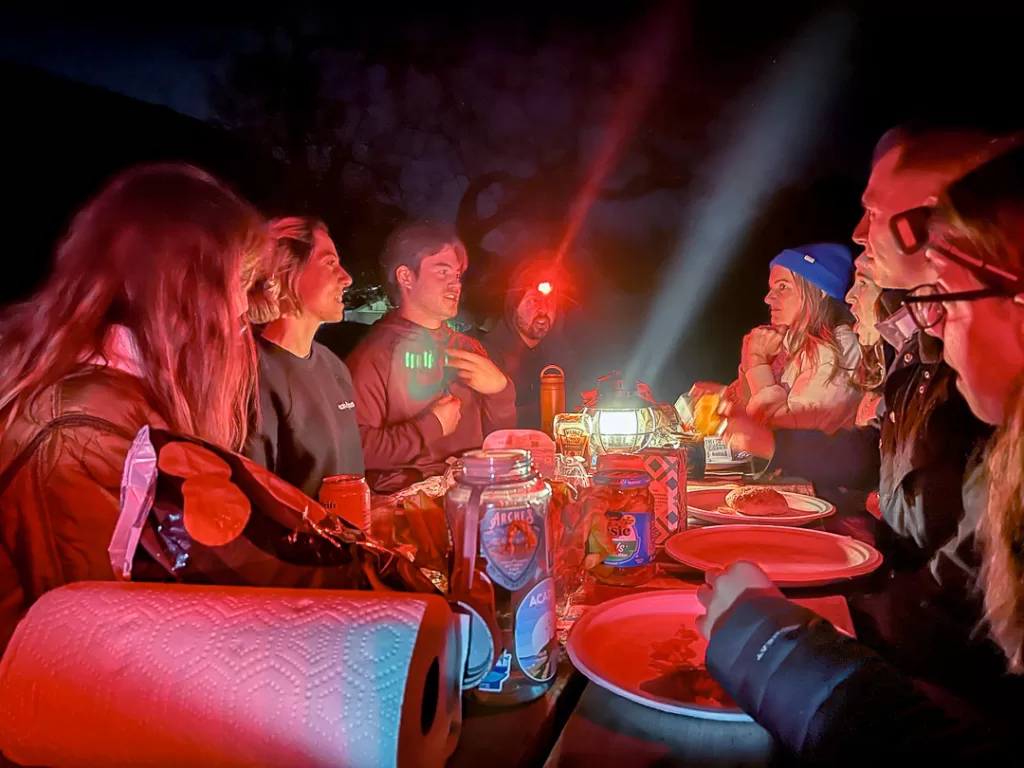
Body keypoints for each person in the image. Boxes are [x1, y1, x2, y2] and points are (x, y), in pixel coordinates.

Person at [697, 143, 1024, 764]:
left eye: (944, 299)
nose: (858, 234)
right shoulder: (922, 364)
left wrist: (795, 642)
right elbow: (876, 463)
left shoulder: (961, 391)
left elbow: (961, 602)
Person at [0, 164, 270, 655]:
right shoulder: (79, 432)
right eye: (239, 283)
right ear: (186, 290)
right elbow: (101, 657)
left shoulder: (126, 399)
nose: (242, 315)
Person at [346, 221, 516, 493]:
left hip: (476, 495)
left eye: (458, 275)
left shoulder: (469, 349)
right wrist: (430, 427)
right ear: (405, 277)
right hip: (406, 508)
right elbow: (357, 450)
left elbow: (499, 440)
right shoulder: (373, 356)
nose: (455, 284)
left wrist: (501, 390)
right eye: (442, 271)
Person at [245, 217, 365, 499]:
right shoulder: (251, 376)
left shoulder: (334, 367)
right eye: (329, 263)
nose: (347, 278)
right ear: (287, 269)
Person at [696, 243, 861, 434]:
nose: (768, 298)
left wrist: (757, 361)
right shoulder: (788, 345)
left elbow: (786, 434)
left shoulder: (838, 347)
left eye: (783, 287)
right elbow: (748, 410)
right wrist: (723, 395)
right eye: (771, 288)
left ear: (820, 290)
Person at [479, 256, 580, 428]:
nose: (543, 309)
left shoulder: (563, 355)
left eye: (550, 301)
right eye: (533, 301)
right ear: (514, 306)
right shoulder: (487, 355)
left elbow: (580, 399)